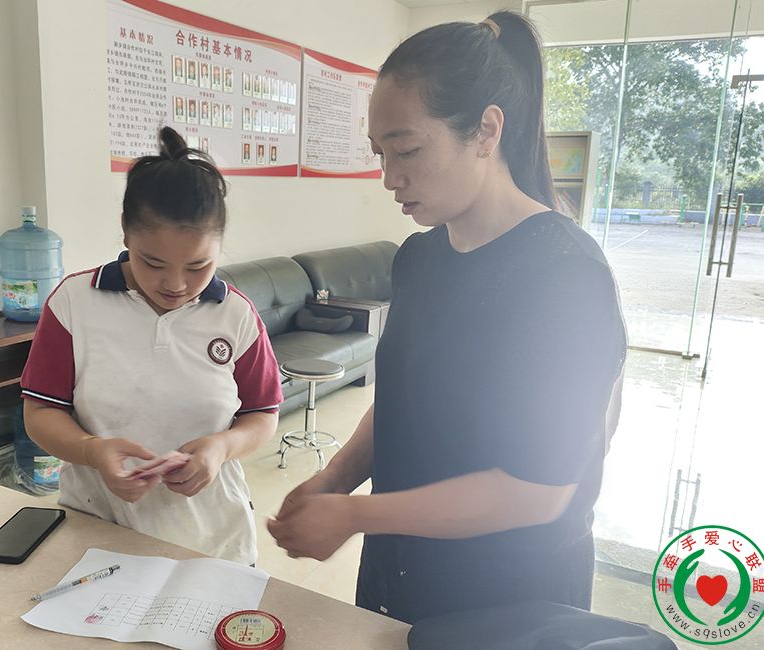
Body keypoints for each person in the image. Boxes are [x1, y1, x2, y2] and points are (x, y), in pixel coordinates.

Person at [268, 11, 627, 624]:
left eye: (407, 149)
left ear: (486, 130)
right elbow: (402, 403)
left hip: (509, 595)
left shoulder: (566, 276)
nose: (389, 177)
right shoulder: (418, 258)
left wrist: (356, 514)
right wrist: (335, 480)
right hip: (403, 570)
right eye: (380, 153)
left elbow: (539, 490)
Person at [22, 126, 283, 566]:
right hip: (99, 529)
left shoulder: (235, 315)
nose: (175, 284)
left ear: (220, 246)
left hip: (211, 538)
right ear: (125, 233)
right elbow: (41, 413)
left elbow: (262, 414)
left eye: (198, 266)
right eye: (153, 263)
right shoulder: (74, 304)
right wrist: (93, 452)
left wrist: (221, 448)